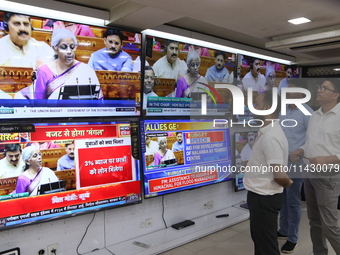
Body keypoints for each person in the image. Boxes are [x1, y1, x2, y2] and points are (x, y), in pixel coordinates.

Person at [290, 79, 340, 255]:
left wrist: (327, 159)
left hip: (328, 177)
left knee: (330, 225)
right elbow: (311, 143)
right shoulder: (315, 115)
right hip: (309, 174)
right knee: (314, 221)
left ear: (335, 95)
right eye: (319, 87)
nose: (319, 90)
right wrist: (301, 150)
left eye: (324, 88)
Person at [243, 89, 293, 255]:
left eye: (256, 104)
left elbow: (279, 176)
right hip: (260, 197)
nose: (253, 108)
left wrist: (287, 182)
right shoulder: (266, 132)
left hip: (264, 199)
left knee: (267, 247)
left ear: (267, 108)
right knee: (261, 242)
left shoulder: (271, 136)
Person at [277, 79, 313, 253]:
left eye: (289, 93)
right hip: (281, 162)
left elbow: (313, 139)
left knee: (292, 201)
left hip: (296, 163)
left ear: (300, 94)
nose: (286, 95)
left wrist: (300, 150)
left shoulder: (308, 113)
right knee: (281, 198)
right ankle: (283, 229)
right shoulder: (283, 112)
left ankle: (293, 237)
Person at [33, 28, 103, 100]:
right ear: (55, 49)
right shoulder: (44, 71)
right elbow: (39, 103)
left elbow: (99, 101)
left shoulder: (87, 70)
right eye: (64, 47)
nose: (69, 51)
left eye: (72, 47)